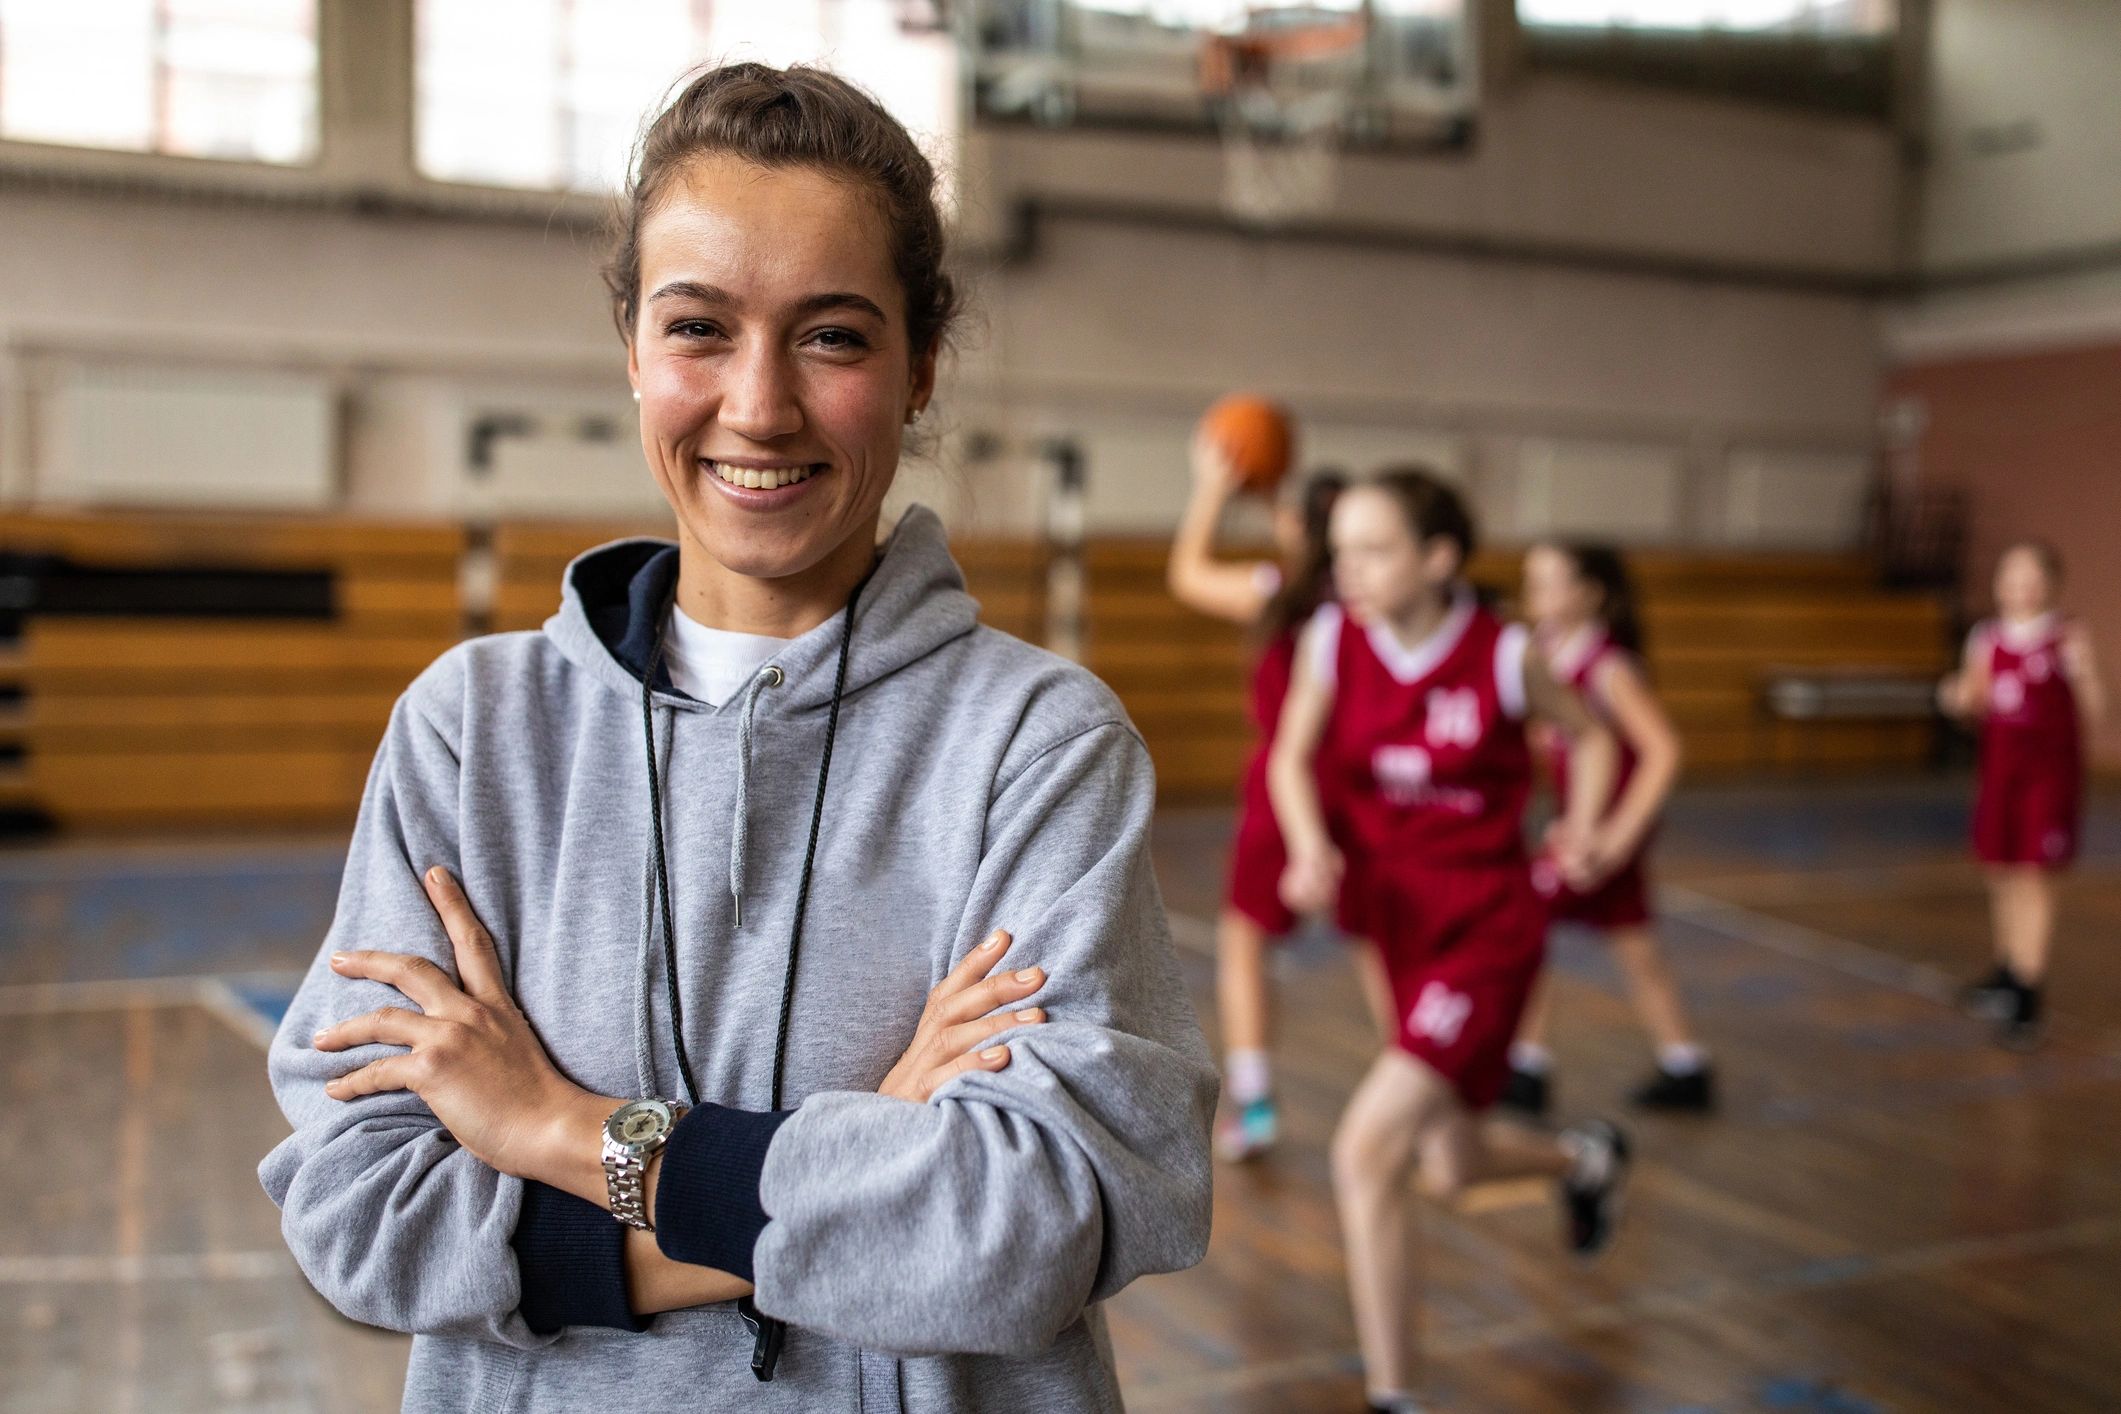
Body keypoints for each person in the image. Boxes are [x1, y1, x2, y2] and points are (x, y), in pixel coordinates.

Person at [260, 63, 1215, 1412]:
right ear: (633, 350)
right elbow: (362, 1214)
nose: (759, 405)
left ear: (920, 363)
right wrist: (870, 1145)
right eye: (700, 327)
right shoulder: (472, 735)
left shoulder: (1036, 748)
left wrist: (559, 1129)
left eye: (831, 336)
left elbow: (1025, 1230)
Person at [1268, 469, 1632, 1414]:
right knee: (1451, 1164)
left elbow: (1590, 739)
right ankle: (1583, 1159)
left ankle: (1397, 1396)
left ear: (1438, 558)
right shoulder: (1328, 640)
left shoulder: (1506, 655)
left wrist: (1583, 825)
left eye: (1373, 549)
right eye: (1340, 548)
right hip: (1393, 924)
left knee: (1365, 1151)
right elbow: (1288, 756)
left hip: (1486, 928)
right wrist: (1309, 847)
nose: (1347, 568)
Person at [1167, 440, 1388, 1158]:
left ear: (1299, 528)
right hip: (1368, 782)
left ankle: (1256, 1104)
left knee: (1246, 941)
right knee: (1381, 942)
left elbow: (1187, 573)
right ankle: (1422, 1083)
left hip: (1285, 781)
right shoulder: (1371, 599)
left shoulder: (1274, 591)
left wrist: (1213, 489)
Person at [1502, 542, 1709, 1115]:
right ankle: (1685, 1062)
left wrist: (1615, 836)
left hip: (1607, 828)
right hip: (1581, 826)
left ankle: (1526, 1067)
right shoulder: (1544, 654)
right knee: (1635, 945)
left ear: (1590, 593)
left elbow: (1663, 751)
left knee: (1526, 925)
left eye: (1550, 582)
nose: (1534, 594)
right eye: (1531, 582)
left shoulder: (1608, 666)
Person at [1942, 540, 2105, 1051]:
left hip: (2048, 778)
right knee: (2001, 870)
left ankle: (2029, 990)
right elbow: (1976, 699)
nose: (2020, 586)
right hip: (2000, 774)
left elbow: (2097, 710)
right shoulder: (1985, 637)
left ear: (2049, 584)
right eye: (2010, 575)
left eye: (2031, 576)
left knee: (2034, 876)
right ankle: (2009, 969)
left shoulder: (2067, 638)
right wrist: (1957, 697)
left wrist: (2087, 671)